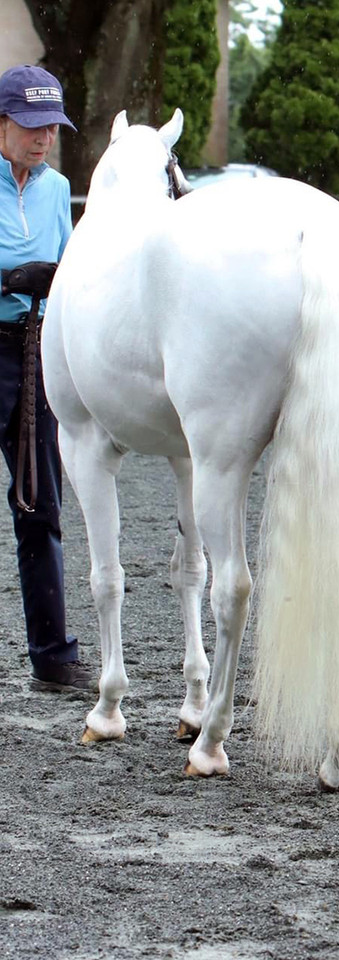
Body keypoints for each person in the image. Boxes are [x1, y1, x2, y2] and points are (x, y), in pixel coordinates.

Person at [0, 64, 93, 692]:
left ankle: (54, 658)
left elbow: (73, 266)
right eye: (31, 126)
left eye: (51, 127)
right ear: (2, 123)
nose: (42, 137)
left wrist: (55, 283)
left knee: (41, 504)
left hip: (33, 353)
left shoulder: (58, 188)